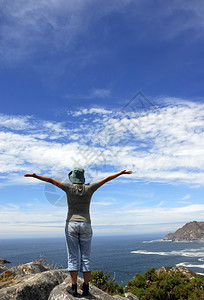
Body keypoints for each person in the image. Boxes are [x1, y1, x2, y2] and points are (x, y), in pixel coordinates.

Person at [24, 168, 132, 297]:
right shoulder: (90, 188)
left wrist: (35, 176)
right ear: (82, 178)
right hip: (86, 224)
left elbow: (50, 180)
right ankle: (86, 288)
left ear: (73, 178)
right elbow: (107, 179)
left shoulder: (68, 187)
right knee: (86, 257)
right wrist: (120, 173)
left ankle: (74, 287)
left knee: (72, 256)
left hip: (71, 224)